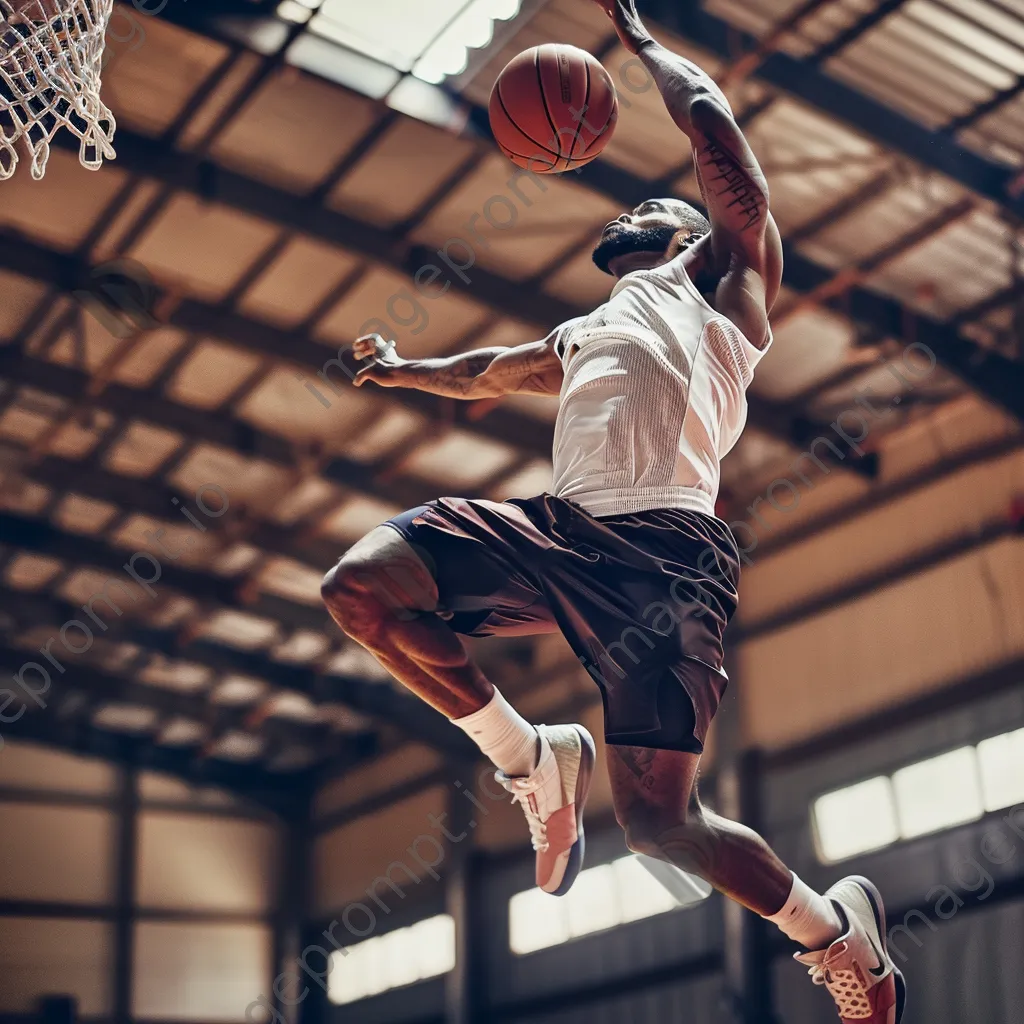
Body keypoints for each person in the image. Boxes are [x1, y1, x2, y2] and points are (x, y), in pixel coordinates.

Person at [321, 1, 904, 1020]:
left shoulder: (723, 278)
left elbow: (719, 134)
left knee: (659, 827)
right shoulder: (584, 328)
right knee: (360, 590)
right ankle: (530, 757)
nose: (621, 213)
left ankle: (835, 936)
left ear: (687, 227)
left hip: (665, 555)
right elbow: (486, 373)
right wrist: (403, 369)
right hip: (555, 529)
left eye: (646, 202)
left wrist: (637, 41)